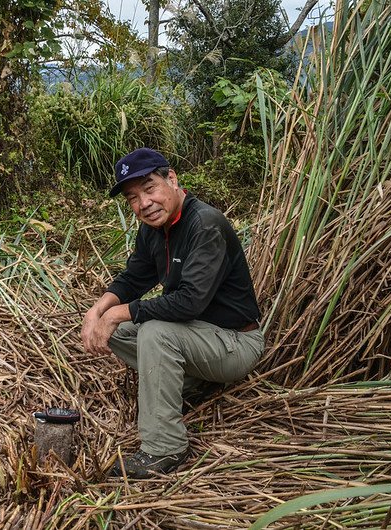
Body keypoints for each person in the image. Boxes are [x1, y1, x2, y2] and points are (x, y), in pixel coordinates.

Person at [81, 147, 264, 479]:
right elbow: (134, 277)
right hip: (195, 335)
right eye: (133, 198)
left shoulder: (204, 224)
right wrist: (98, 310)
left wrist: (117, 313)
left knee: (153, 331)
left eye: (149, 189)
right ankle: (190, 382)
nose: (144, 204)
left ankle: (166, 448)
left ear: (172, 179)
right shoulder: (153, 228)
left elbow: (188, 302)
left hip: (235, 342)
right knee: (119, 331)